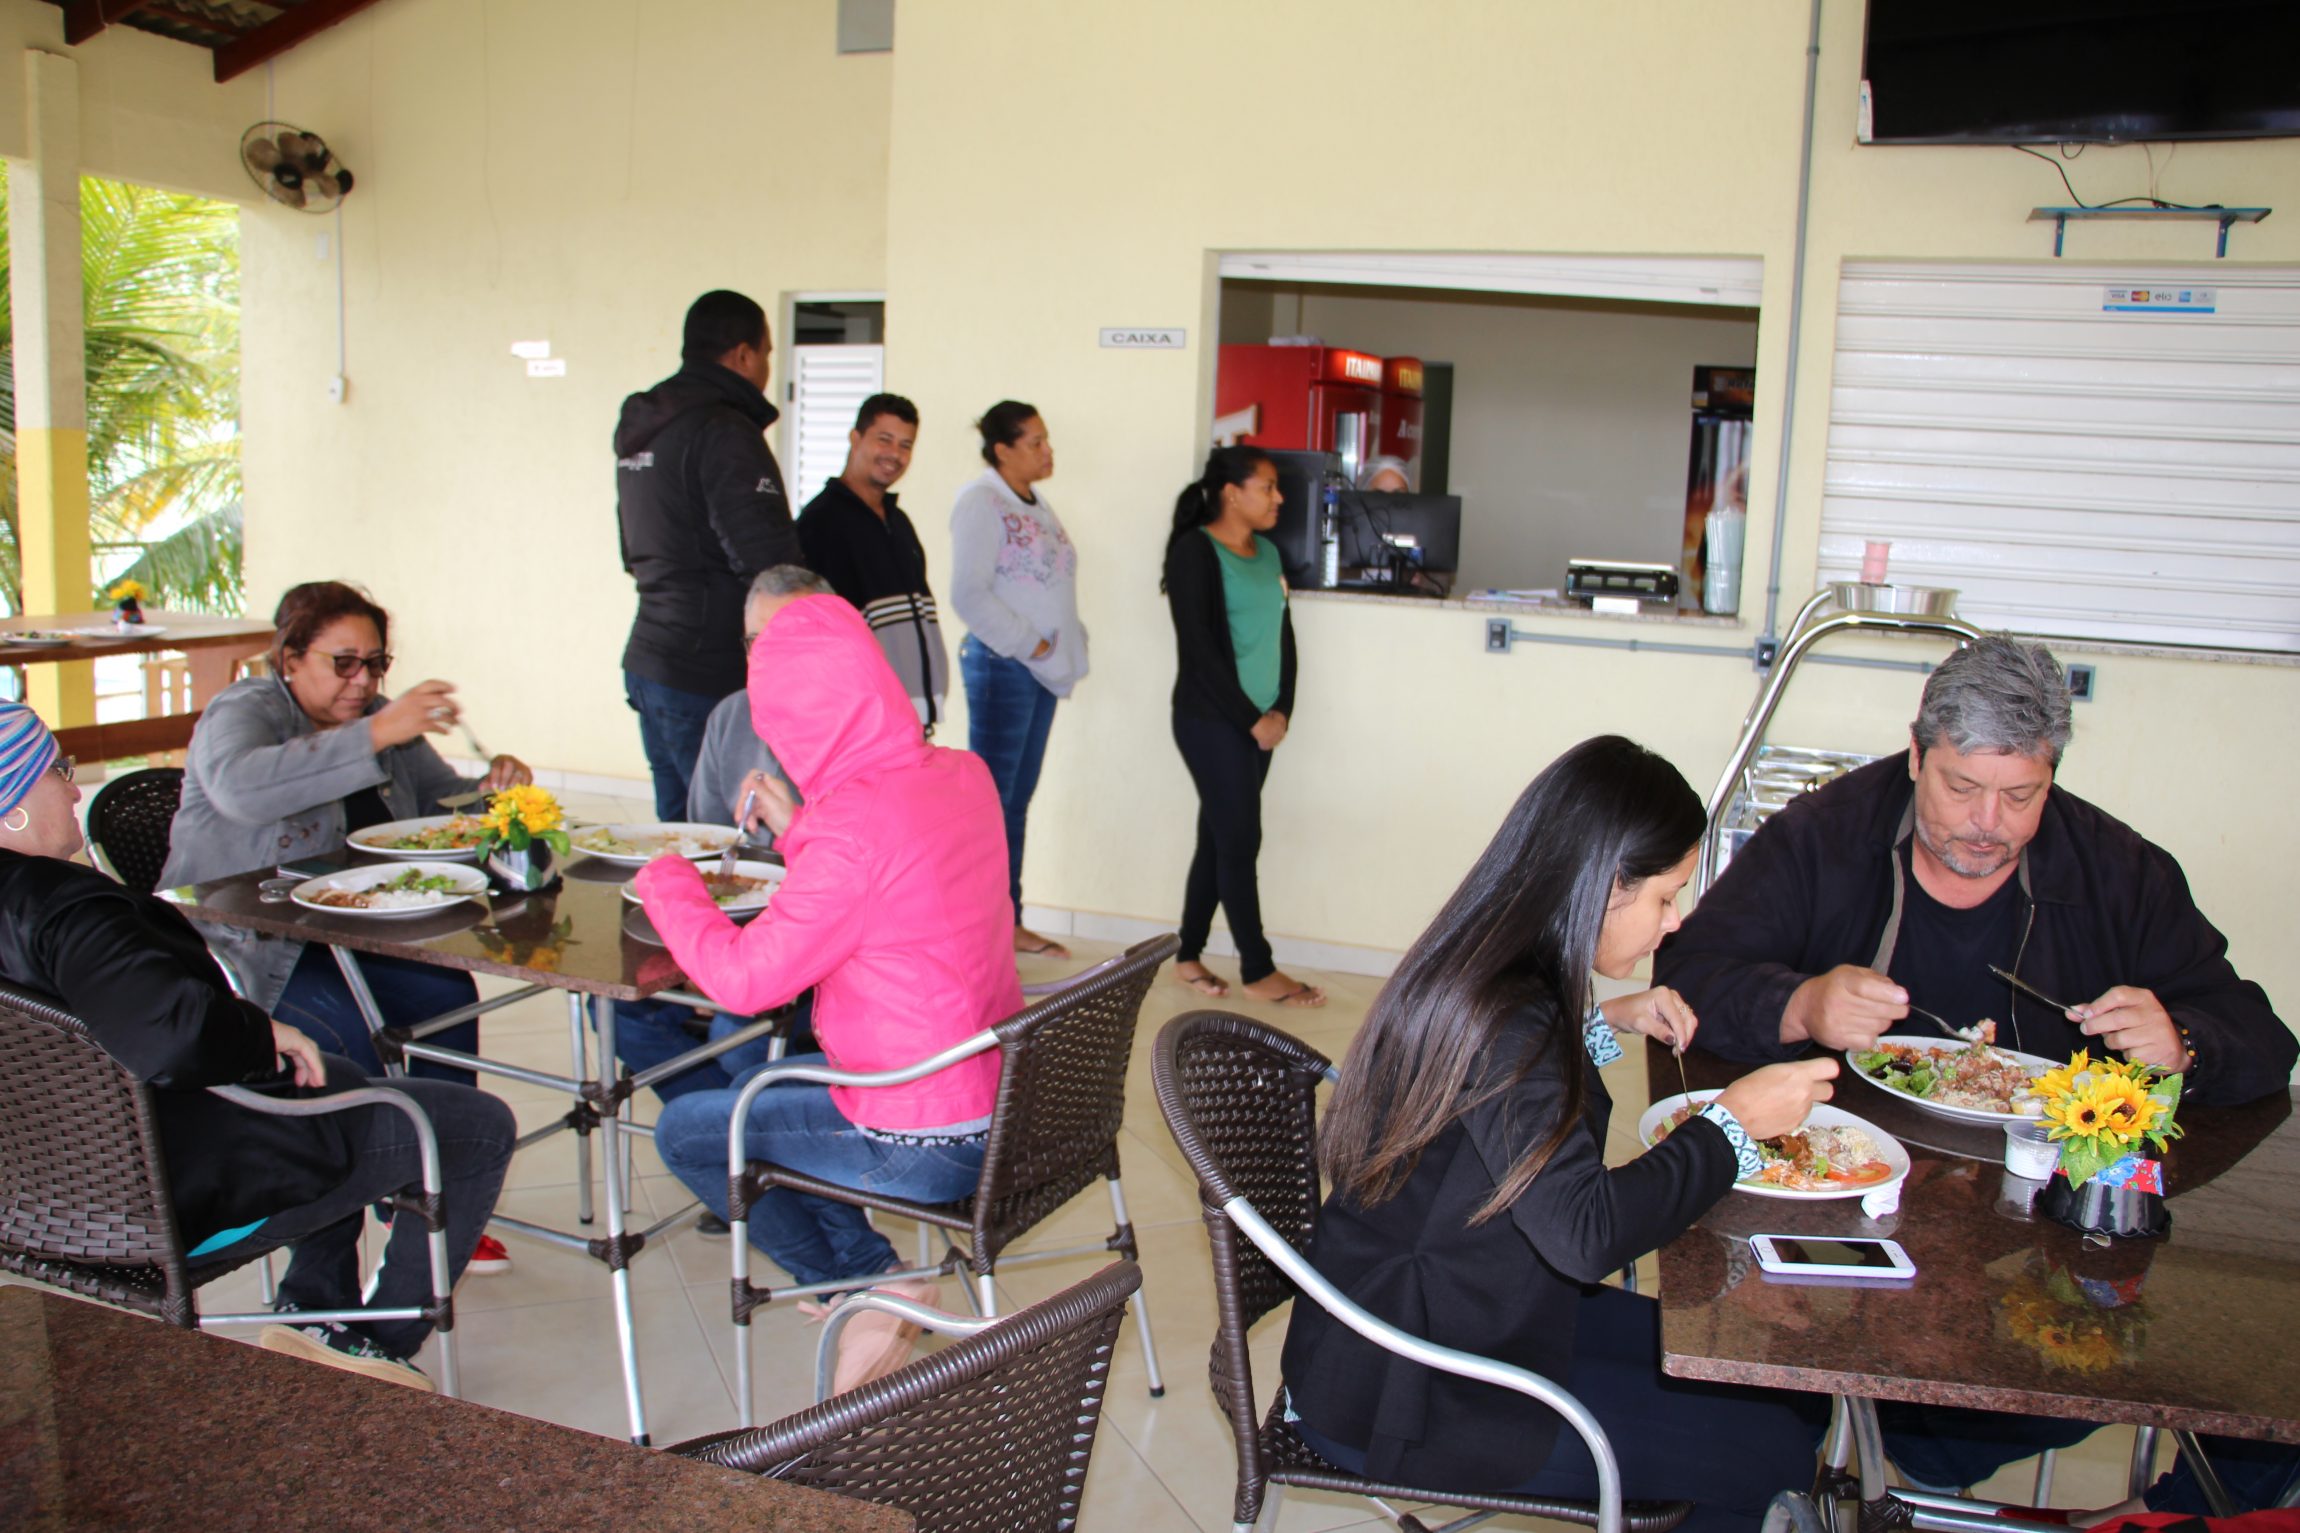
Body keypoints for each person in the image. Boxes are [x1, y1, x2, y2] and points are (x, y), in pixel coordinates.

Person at [1655, 632, 2296, 1490]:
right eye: (1962, 788)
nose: (1989, 825)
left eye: (2021, 796)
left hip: (2041, 1251)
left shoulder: (2115, 869)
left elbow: (2259, 1035)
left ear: (2051, 777)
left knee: (2262, 1397)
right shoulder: (1822, 839)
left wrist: (2185, 1041)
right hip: (1840, 1235)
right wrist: (1797, 1003)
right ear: (1916, 753)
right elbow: (1686, 980)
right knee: (1777, 1407)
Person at [1283, 735, 1836, 1531]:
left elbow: (1503, 1100)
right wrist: (1731, 1126)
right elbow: (1584, 1233)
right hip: (1411, 1386)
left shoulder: (1496, 965)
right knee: (1768, 1452)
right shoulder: (1512, 1015)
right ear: (1607, 885)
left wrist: (1605, 1022)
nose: (1672, 923)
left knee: (1771, 1382)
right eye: (1666, 896)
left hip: (1455, 1308)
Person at [0, 700, 514, 1391]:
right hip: (164, 1194)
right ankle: (372, 1342)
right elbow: (171, 1036)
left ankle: (313, 1312)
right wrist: (255, 1032)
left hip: (37, 1197)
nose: (73, 787)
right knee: (477, 1126)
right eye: (58, 770)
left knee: (329, 1073)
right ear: (13, 810)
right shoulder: (66, 909)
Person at [639, 594, 1020, 1393]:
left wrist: (668, 880)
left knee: (688, 1130)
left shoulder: (848, 831)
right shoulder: (963, 773)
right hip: (1006, 1095)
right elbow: (894, 867)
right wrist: (804, 824)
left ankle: (860, 1282)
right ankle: (874, 1277)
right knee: (752, 1090)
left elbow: (744, 982)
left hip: (920, 1133)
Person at [162, 581, 525, 1273]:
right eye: (345, 662)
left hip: (355, 935)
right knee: (347, 1047)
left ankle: (434, 1197)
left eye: (376, 664)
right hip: (257, 947)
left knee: (448, 997)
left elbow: (439, 804)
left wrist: (494, 792)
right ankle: (318, 1279)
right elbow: (244, 788)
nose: (363, 681)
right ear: (290, 657)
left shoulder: (379, 716)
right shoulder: (246, 710)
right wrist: (376, 732)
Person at [611, 565, 828, 1113]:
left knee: (736, 1042)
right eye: (758, 641)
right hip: (736, 934)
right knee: (616, 1012)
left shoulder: (857, 728)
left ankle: (733, 1146)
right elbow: (707, 845)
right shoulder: (732, 715)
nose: (771, 655)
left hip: (816, 950)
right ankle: (732, 1145)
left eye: (791, 636)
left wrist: (795, 824)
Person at [615, 289, 802, 821]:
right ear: (744, 355)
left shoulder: (647, 427)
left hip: (651, 656)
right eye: (766, 354)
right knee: (726, 845)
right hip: (707, 671)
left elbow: (632, 550)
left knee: (678, 836)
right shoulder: (723, 429)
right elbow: (770, 566)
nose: (766, 368)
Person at [1162, 446, 1323, 1007]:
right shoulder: (1194, 553)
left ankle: (1187, 955)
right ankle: (1257, 968)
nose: (1279, 498)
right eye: (1268, 487)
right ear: (1232, 492)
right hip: (1211, 721)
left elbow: (1284, 639)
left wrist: (1282, 710)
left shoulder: (1269, 553)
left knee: (1219, 836)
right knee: (1240, 837)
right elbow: (1200, 652)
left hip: (1261, 725)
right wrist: (1250, 719)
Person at [947, 400, 1086, 960]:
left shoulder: (1032, 501)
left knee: (1014, 803)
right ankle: (983, 924)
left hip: (1037, 671)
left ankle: (1009, 919)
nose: (1047, 451)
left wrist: (1064, 643)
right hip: (1004, 666)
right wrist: (1033, 643)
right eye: (1035, 442)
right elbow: (968, 594)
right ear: (1002, 450)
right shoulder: (981, 502)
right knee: (994, 805)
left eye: (1046, 439)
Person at [796, 393, 948, 730]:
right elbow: (815, 632)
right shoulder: (821, 522)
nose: (895, 454)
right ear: (855, 438)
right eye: (885, 440)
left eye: (906, 445)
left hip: (910, 718)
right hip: (862, 721)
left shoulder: (898, 521)